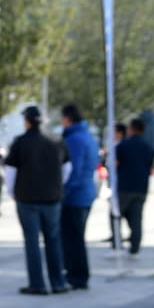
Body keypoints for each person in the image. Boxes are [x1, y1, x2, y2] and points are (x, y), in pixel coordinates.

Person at [5, 106, 67, 295]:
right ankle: (58, 283)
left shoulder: (20, 142)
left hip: (27, 198)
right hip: (52, 197)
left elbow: (10, 171)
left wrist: (11, 192)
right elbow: (67, 167)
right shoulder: (56, 141)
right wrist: (57, 186)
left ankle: (37, 284)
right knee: (53, 240)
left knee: (32, 242)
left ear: (27, 121)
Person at [59, 103, 98, 289]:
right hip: (86, 192)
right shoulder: (87, 136)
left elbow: (74, 171)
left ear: (68, 118)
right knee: (77, 236)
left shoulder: (74, 139)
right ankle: (77, 274)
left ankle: (77, 276)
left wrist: (63, 193)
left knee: (73, 238)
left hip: (75, 196)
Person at [115, 117, 154, 256]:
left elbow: (115, 163)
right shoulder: (149, 147)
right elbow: (150, 167)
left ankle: (116, 242)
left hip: (125, 187)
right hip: (141, 187)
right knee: (137, 217)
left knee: (115, 214)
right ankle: (135, 246)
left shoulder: (123, 145)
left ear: (132, 129)